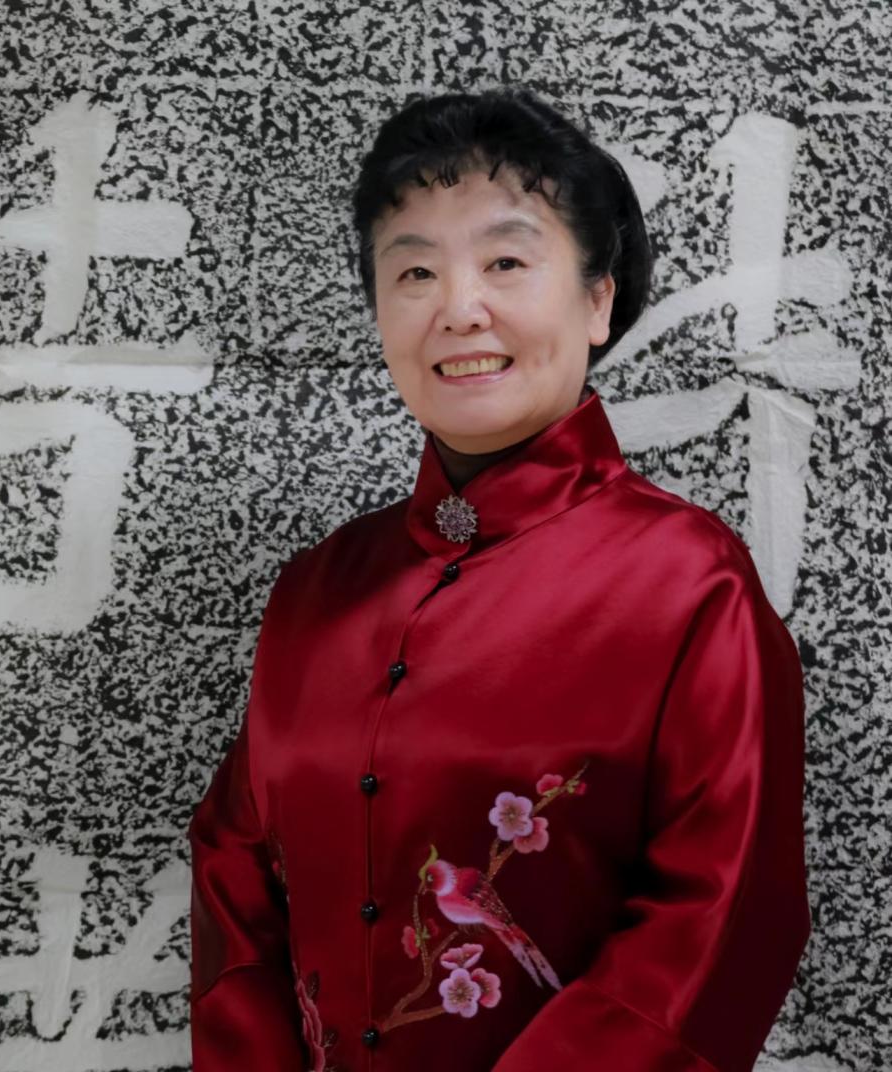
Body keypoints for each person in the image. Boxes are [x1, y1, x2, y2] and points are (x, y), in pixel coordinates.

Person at [187, 85, 810, 1071]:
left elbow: (720, 920)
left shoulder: (690, 585)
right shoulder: (316, 592)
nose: (457, 308)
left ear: (597, 299)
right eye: (414, 271)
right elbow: (234, 878)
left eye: (506, 262)